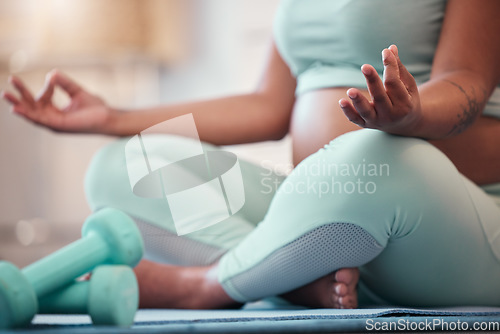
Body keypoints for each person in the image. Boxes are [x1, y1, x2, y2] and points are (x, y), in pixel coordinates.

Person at [3, 0, 500, 309]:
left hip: (441, 217)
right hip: (322, 206)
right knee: (123, 166)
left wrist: (410, 118)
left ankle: (205, 286)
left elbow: (467, 79)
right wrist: (112, 118)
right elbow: (268, 105)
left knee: (382, 156)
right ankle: (296, 278)